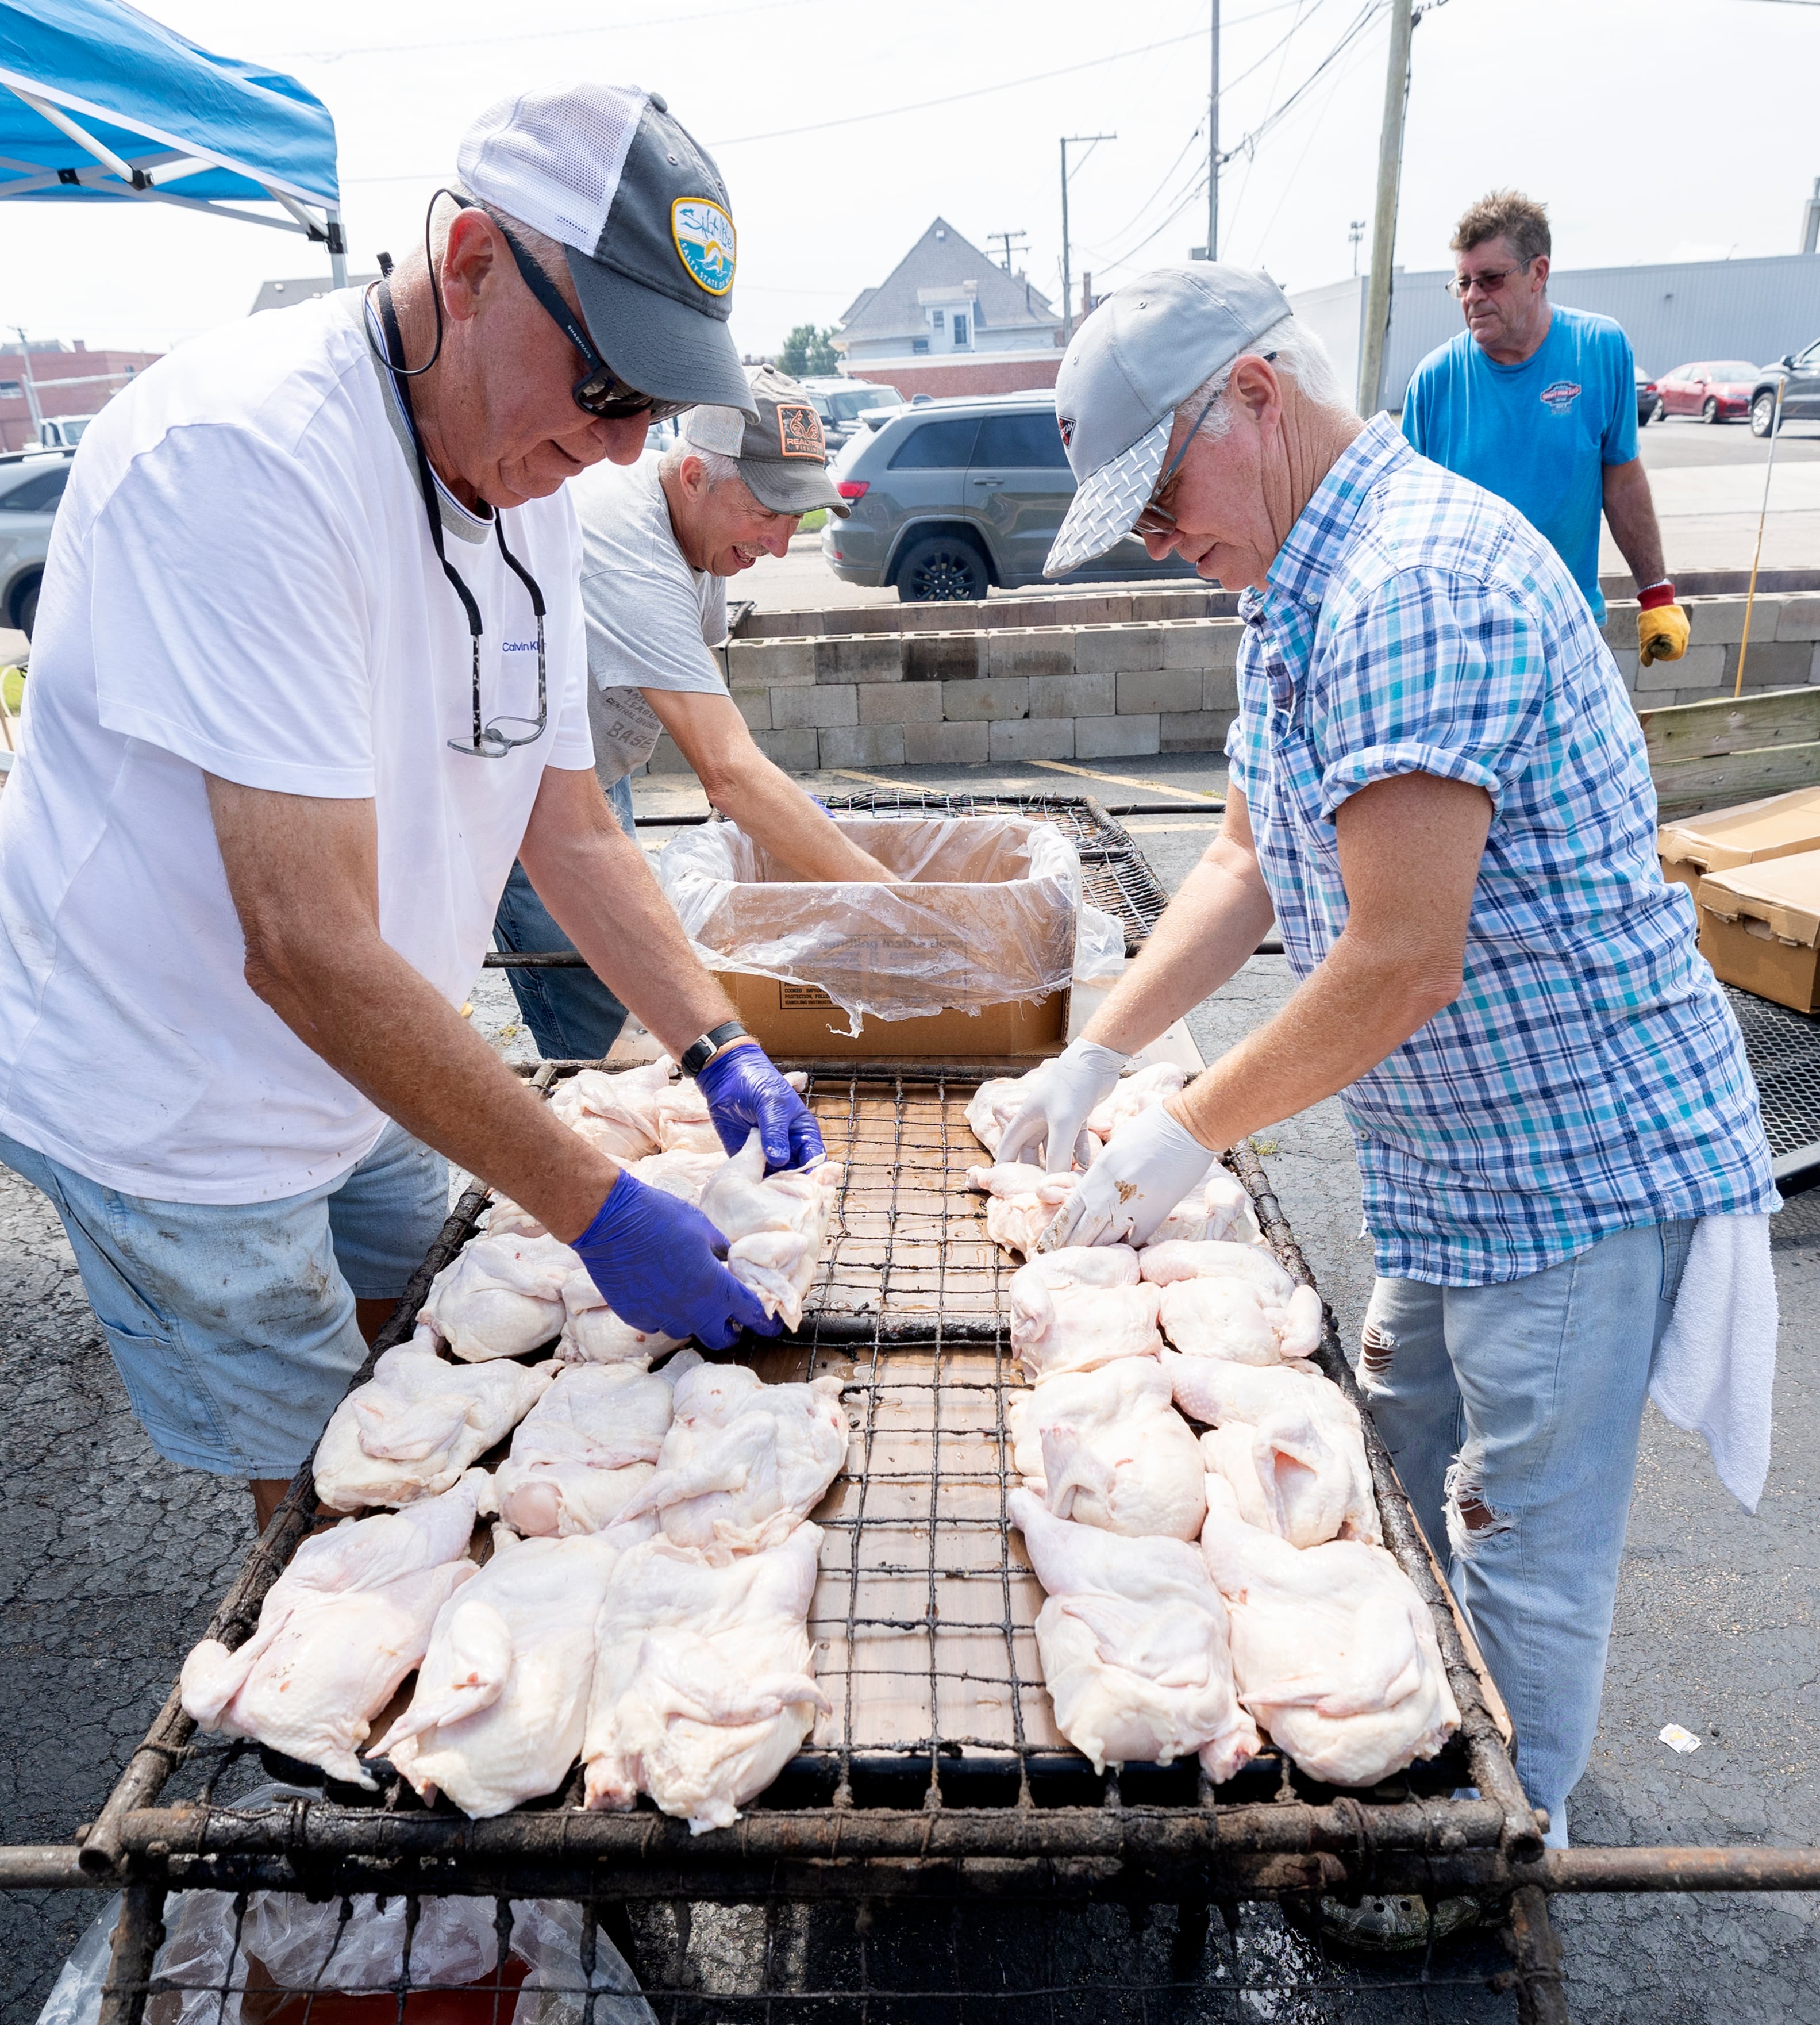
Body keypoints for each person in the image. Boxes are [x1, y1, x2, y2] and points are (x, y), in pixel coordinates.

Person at [1007, 263, 1775, 1851]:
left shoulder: (1409, 586)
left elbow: (1396, 953)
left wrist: (1187, 1129)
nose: (1157, 542)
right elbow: (1237, 862)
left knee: (1515, 1538)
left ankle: (1503, 1843)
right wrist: (1097, 1060)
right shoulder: (1285, 585)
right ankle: (1386, 1754)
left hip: (1569, 1168)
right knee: (1373, 1450)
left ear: (1257, 400)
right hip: (1448, 1159)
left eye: (1157, 497)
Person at [0, 83, 822, 1528]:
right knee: (343, 1497)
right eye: (606, 386)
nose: (625, 445)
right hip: (180, 1089)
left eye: (651, 403)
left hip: (366, 1042)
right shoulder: (247, 460)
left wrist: (716, 1040)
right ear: (471, 267)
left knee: (426, 1360)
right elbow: (302, 943)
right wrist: (599, 1206)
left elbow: (567, 825)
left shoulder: (537, 488)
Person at [494, 363, 894, 1060]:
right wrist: (903, 908)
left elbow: (699, 696)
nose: (776, 544)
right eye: (766, 514)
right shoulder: (627, 545)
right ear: (693, 479)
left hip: (592, 766)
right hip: (524, 800)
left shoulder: (702, 538)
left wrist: (787, 824)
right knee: (612, 1021)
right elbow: (727, 772)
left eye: (792, 520)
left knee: (648, 983)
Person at [1401, 189, 1690, 667]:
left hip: (1568, 630)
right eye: (1463, 283)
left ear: (1538, 273)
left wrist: (1655, 594)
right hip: (1465, 643)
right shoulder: (1435, 381)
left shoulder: (1598, 350)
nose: (1473, 297)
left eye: (1490, 279)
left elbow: (1621, 481)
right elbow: (1404, 522)